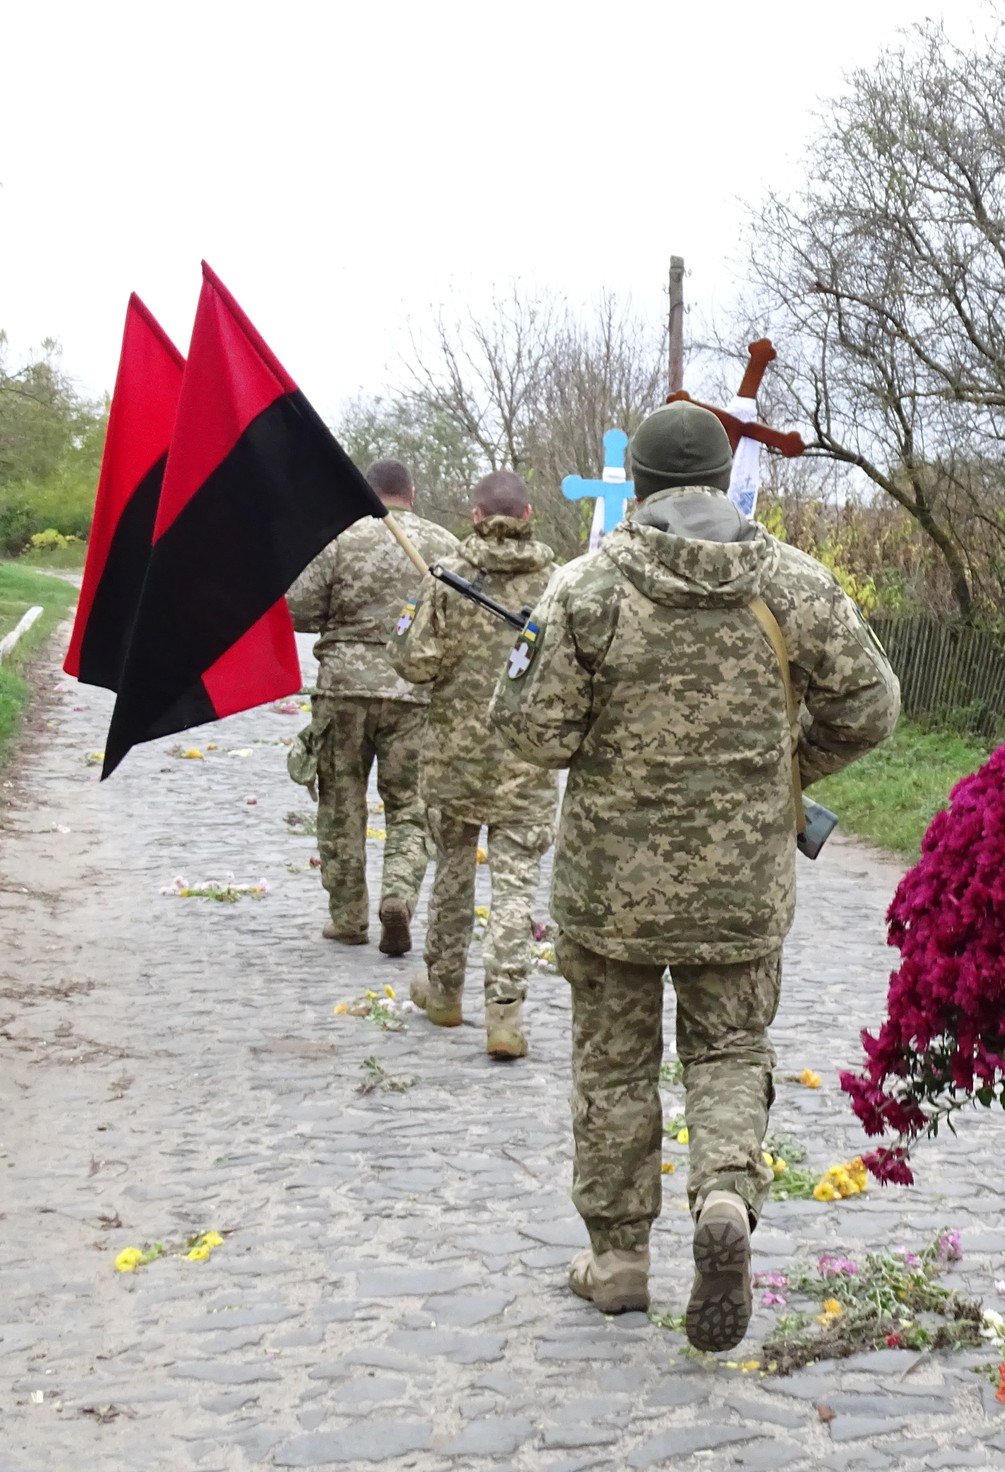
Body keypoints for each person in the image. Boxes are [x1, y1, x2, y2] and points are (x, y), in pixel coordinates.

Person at [491, 400, 899, 1352]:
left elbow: (531, 733)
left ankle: (619, 1261)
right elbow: (872, 707)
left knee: (613, 1065)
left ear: (637, 484)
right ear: (722, 481)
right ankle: (722, 1197)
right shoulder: (796, 583)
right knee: (729, 1049)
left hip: (610, 887)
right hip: (742, 884)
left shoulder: (587, 587)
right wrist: (783, 768)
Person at [389, 469, 560, 1060]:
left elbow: (411, 662)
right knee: (515, 887)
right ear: (529, 514)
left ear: (476, 516)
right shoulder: (559, 585)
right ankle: (505, 1014)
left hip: (454, 759)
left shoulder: (445, 577)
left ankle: (444, 991)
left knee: (452, 875)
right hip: (526, 759)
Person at [287, 459, 461, 953]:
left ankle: (347, 918)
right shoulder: (444, 545)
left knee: (340, 805)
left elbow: (296, 607)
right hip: (414, 692)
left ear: (364, 493)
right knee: (410, 805)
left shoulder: (338, 539)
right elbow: (462, 616)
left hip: (343, 689)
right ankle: (399, 896)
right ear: (412, 493)